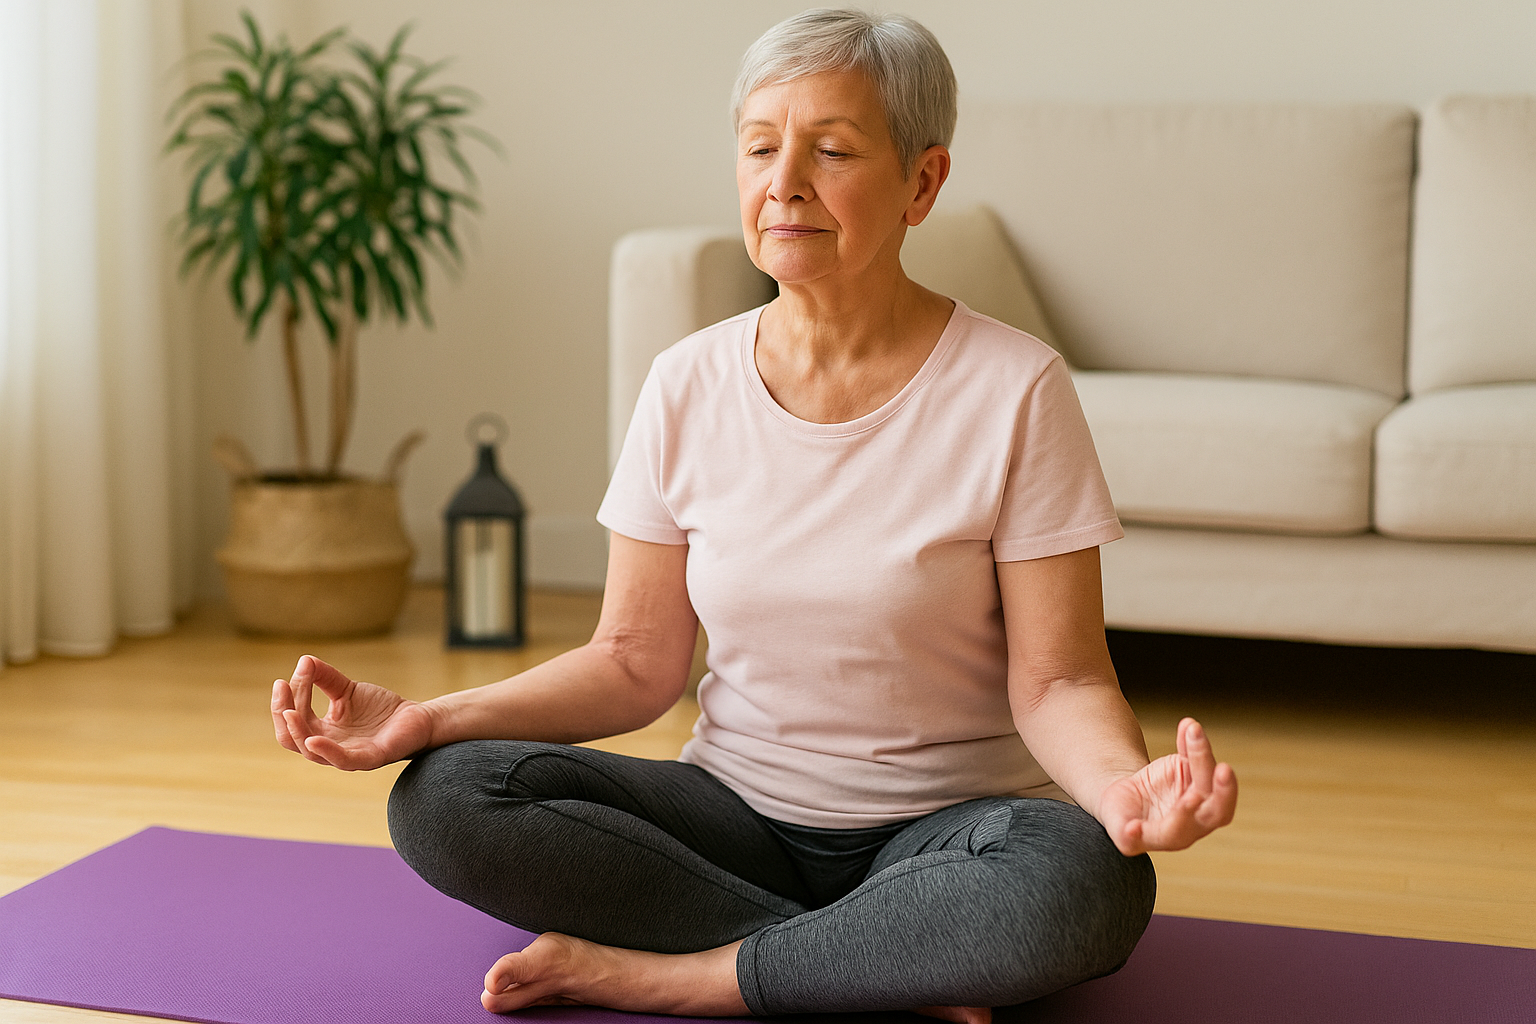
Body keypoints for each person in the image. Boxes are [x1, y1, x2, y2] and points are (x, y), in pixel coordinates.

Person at [270, 9, 1237, 1022]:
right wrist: (431, 718)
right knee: (443, 798)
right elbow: (634, 661)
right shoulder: (685, 382)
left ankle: (687, 976)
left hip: (950, 828)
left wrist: (1126, 788)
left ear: (922, 181)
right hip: (733, 817)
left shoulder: (1016, 388)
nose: (786, 182)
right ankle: (882, 958)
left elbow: (1062, 677)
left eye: (831, 150)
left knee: (1094, 879)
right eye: (761, 147)